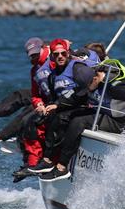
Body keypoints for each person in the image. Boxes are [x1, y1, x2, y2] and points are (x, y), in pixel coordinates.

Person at [37, 55, 125, 182]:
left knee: (78, 122)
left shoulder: (116, 86)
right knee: (64, 116)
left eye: (95, 77)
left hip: (118, 120)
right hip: (108, 114)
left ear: (101, 76)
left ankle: (62, 167)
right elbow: (79, 95)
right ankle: (49, 161)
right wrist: (58, 105)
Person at [21, 38, 100, 180]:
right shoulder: (52, 76)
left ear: (68, 53)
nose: (60, 57)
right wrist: (47, 106)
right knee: (40, 119)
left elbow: (89, 89)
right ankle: (42, 161)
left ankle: (56, 163)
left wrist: (59, 105)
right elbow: (54, 97)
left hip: (88, 106)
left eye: (63, 53)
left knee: (61, 117)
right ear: (52, 56)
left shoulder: (78, 69)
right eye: (56, 55)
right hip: (69, 105)